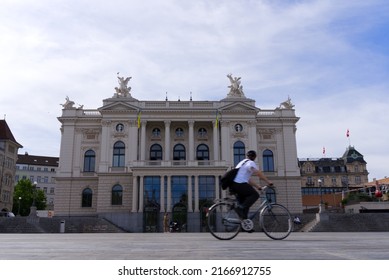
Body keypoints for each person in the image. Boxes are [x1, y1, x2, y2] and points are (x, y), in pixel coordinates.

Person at [230, 150, 273, 221]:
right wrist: (268, 182)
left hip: (234, 185)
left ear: (247, 156)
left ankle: (245, 225)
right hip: (239, 184)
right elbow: (258, 173)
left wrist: (258, 187)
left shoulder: (242, 163)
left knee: (245, 205)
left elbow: (248, 179)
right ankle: (239, 208)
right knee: (255, 195)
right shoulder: (251, 163)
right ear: (255, 157)